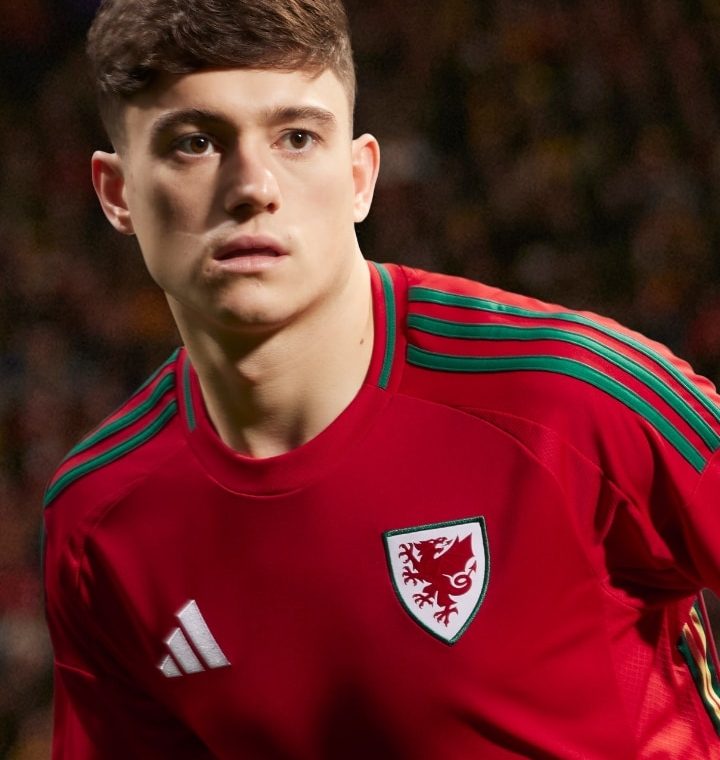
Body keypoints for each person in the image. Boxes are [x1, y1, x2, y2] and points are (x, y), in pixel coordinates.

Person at [42, 0, 720, 757]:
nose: (253, 186)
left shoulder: (569, 394)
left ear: (360, 176)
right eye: (195, 143)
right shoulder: (99, 520)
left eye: (297, 137)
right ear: (117, 192)